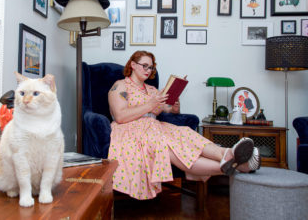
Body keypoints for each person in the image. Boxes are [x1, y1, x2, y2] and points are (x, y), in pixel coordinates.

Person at [108, 51, 261, 199]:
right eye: (145, 66)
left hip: (155, 127)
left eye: (151, 67)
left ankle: (227, 153)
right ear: (133, 65)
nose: (148, 70)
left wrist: (174, 107)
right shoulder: (120, 86)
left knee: (185, 133)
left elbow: (164, 109)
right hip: (130, 130)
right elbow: (120, 116)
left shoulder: (152, 90)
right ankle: (239, 165)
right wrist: (150, 104)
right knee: (166, 146)